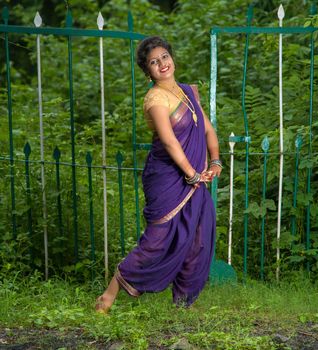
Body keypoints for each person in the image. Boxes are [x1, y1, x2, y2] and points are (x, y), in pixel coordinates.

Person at [95, 36, 222, 313]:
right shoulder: (155, 98)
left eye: (164, 57)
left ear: (172, 58)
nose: (162, 64)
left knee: (197, 238)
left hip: (195, 177)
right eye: (154, 62)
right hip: (168, 177)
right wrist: (192, 174)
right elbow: (169, 141)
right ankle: (107, 297)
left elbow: (208, 130)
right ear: (147, 71)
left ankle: (183, 305)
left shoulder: (186, 92)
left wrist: (215, 161)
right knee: (156, 241)